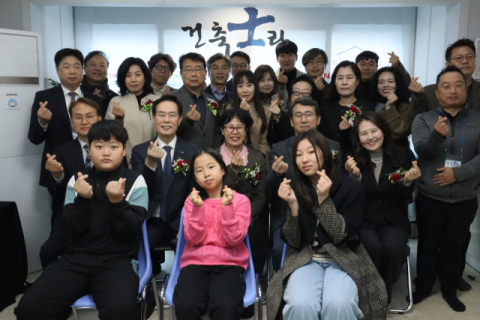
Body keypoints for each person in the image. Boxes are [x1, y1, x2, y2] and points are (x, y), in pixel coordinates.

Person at [15, 120, 148, 320]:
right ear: (89, 150)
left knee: (120, 311)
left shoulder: (135, 180)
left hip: (118, 260)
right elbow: (72, 230)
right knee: (29, 308)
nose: (106, 152)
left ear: (123, 151)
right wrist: (83, 201)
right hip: (76, 259)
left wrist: (117, 202)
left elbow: (130, 232)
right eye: (99, 146)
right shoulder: (77, 181)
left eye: (113, 147)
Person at [266, 129, 387, 320]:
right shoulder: (295, 187)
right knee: (300, 305)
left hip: (342, 257)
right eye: (298, 154)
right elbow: (294, 241)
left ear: (327, 153)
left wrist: (324, 202)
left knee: (339, 304)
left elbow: (341, 236)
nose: (304, 159)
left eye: (311, 152)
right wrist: (292, 207)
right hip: (305, 257)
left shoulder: (351, 187)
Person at [411, 66, 480, 312]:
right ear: (437, 92)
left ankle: (450, 290)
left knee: (455, 246)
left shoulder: (477, 119)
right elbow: (422, 149)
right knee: (427, 244)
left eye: (458, 85)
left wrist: (457, 174)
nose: (452, 91)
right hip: (431, 196)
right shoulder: (423, 119)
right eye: (446, 86)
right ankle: (423, 287)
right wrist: (436, 137)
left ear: (466, 89)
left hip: (464, 198)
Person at [346, 111, 420, 302]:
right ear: (358, 137)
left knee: (393, 247)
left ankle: (379, 296)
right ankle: (373, 295)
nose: (370, 137)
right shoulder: (352, 160)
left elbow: (405, 197)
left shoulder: (402, 155)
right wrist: (356, 178)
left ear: (384, 131)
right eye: (364, 133)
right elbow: (350, 198)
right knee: (372, 247)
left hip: (393, 219)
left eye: (374, 131)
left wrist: (406, 182)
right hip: (364, 219)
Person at [173, 149, 251, 320]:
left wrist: (227, 207)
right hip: (195, 262)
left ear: (223, 170)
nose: (206, 174)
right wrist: (198, 209)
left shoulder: (240, 201)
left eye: (211, 167)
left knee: (225, 306)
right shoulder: (192, 201)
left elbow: (234, 239)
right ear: (195, 178)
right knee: (186, 304)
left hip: (230, 262)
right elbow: (194, 239)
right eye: (199, 170)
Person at [265, 98, 341, 271]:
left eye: (309, 114)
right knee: (278, 249)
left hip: (324, 215)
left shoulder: (333, 146)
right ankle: (282, 289)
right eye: (298, 115)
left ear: (319, 119)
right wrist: (276, 174)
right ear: (291, 121)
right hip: (289, 216)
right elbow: (269, 188)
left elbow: (338, 185)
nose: (304, 119)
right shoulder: (280, 148)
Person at [131, 95, 197, 271]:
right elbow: (138, 188)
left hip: (180, 221)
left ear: (180, 119)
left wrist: (186, 224)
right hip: (151, 222)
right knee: (135, 255)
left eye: (172, 115)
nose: (166, 120)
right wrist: (150, 163)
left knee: (192, 264)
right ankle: (146, 293)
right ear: (154, 118)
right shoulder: (140, 151)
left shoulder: (192, 151)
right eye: (161, 115)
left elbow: (195, 190)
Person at [40, 97, 103, 269]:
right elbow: (56, 193)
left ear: (99, 118)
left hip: (104, 213)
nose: (84, 121)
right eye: (78, 117)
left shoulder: (111, 147)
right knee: (48, 252)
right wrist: (58, 175)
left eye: (89, 116)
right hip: (71, 214)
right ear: (71, 121)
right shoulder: (62, 150)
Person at [28, 48, 103, 189]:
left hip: (91, 166)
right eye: (66, 66)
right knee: (60, 210)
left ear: (83, 69)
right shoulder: (44, 98)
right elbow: (34, 138)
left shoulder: (95, 100)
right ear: (57, 70)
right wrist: (42, 122)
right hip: (58, 167)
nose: (72, 71)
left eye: (77, 66)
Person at [216, 108, 268, 274]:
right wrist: (234, 171)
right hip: (219, 217)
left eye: (240, 127)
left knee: (255, 237)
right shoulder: (212, 157)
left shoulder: (257, 158)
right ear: (222, 130)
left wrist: (243, 219)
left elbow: (261, 196)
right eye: (230, 127)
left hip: (250, 220)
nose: (235, 132)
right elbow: (214, 191)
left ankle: (253, 279)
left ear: (246, 131)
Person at [105, 57, 160, 166]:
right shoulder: (116, 102)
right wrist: (119, 119)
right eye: (128, 75)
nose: (133, 80)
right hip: (126, 160)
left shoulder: (158, 100)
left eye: (138, 74)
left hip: (156, 159)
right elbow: (108, 135)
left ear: (145, 76)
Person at [410, 38, 480, 116]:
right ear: (448, 65)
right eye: (458, 58)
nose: (465, 61)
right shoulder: (428, 92)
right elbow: (414, 122)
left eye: (470, 57)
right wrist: (418, 96)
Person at [322, 60, 374, 159]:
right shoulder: (326, 108)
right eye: (340, 78)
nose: (344, 82)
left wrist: (347, 132)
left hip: (361, 159)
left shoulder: (368, 107)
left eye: (349, 78)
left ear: (357, 81)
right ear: (335, 82)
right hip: (332, 160)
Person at [171, 53, 221, 149]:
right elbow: (166, 130)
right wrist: (187, 121)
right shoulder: (171, 99)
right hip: (182, 159)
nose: (193, 74)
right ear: (181, 74)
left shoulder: (212, 100)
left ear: (205, 73)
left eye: (198, 69)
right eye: (189, 70)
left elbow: (216, 132)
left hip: (209, 157)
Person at [223, 70, 275, 156]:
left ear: (255, 87)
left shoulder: (265, 111)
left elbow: (264, 141)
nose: (245, 90)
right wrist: (242, 113)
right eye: (240, 86)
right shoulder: (227, 109)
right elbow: (227, 137)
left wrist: (257, 159)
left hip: (258, 158)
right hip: (231, 156)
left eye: (249, 85)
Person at [267, 74, 317, 145]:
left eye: (305, 93)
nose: (300, 96)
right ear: (290, 96)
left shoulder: (317, 117)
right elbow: (272, 141)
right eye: (296, 92)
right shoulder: (282, 118)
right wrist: (275, 118)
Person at [371, 67, 413, 149]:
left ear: (398, 84)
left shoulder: (405, 106)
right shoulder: (371, 105)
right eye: (381, 82)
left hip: (398, 152)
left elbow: (400, 132)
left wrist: (390, 107)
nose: (385, 85)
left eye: (390, 81)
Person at [81, 50, 118, 115]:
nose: (98, 68)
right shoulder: (76, 94)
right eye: (93, 65)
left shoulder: (115, 98)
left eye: (102, 65)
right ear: (84, 68)